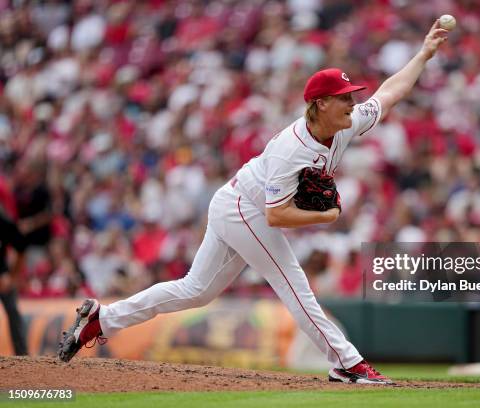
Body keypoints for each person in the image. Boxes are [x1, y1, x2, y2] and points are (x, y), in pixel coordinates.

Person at [58, 20, 448, 384]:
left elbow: (389, 94)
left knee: (197, 291)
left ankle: (102, 319)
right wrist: (325, 216)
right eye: (344, 97)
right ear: (321, 104)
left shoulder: (343, 125)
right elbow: (276, 216)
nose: (352, 102)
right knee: (293, 283)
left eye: (351, 96)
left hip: (237, 201)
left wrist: (424, 54)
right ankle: (348, 364)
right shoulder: (290, 150)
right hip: (245, 208)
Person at [0, 212, 29, 356]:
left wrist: (12, 276)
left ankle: (22, 355)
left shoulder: (4, 221)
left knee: (13, 311)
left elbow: (21, 245)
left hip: (3, 275)